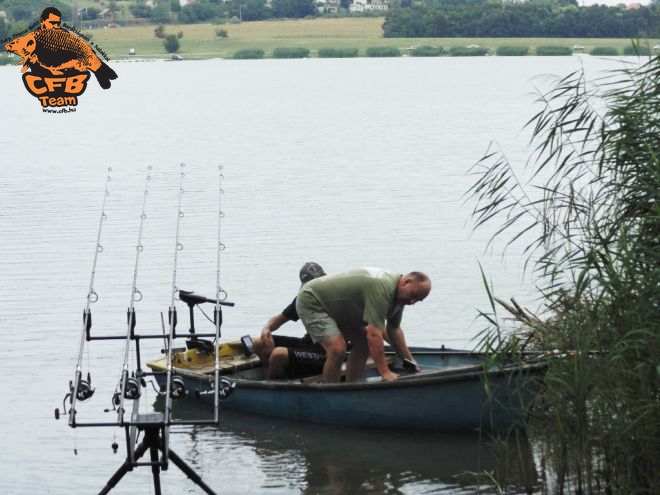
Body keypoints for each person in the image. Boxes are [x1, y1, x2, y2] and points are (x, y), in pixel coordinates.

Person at [296, 267, 431, 383]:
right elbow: (374, 335)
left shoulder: (400, 298)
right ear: (406, 281)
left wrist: (410, 361)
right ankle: (329, 394)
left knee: (363, 345)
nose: (412, 302)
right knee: (337, 349)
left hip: (342, 308)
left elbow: (394, 330)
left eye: (418, 300)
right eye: (413, 295)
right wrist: (384, 371)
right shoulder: (382, 289)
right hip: (312, 301)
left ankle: (351, 388)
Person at [253, 262, 327, 379]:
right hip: (307, 344)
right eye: (310, 285)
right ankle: (276, 377)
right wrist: (267, 328)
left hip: (325, 353)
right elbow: (280, 318)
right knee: (259, 343)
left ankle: (276, 387)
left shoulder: (335, 299)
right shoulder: (304, 298)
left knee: (278, 354)